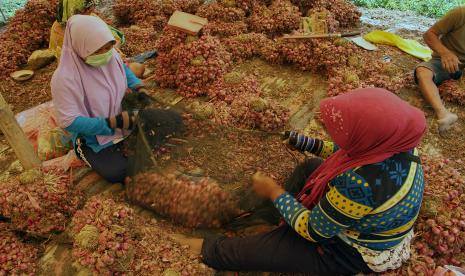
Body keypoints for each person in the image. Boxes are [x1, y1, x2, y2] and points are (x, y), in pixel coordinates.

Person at [173, 88, 427, 275]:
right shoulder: (397, 145)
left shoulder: (360, 184)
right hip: (362, 218)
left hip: (349, 250)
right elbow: (345, 151)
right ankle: (272, 216)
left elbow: (314, 231)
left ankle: (206, 247)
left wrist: (274, 192)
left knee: (262, 250)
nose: (332, 131)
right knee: (312, 167)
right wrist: (305, 143)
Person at [51, 15, 145, 183]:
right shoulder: (64, 79)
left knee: (170, 123)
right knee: (118, 172)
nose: (105, 54)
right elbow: (69, 121)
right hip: (92, 138)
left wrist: (138, 86)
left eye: (108, 47)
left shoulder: (111, 54)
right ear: (80, 47)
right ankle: (88, 151)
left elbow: (123, 68)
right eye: (97, 51)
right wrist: (110, 124)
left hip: (123, 119)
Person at [415, 6, 465, 133]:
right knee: (423, 71)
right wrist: (445, 53)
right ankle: (443, 114)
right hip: (448, 62)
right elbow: (429, 34)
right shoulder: (460, 13)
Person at [49, 0, 125, 60]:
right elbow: (71, 59)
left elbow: (112, 37)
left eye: (91, 7)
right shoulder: (59, 30)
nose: (90, 10)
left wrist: (115, 50)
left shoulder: (91, 17)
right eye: (85, 9)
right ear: (71, 9)